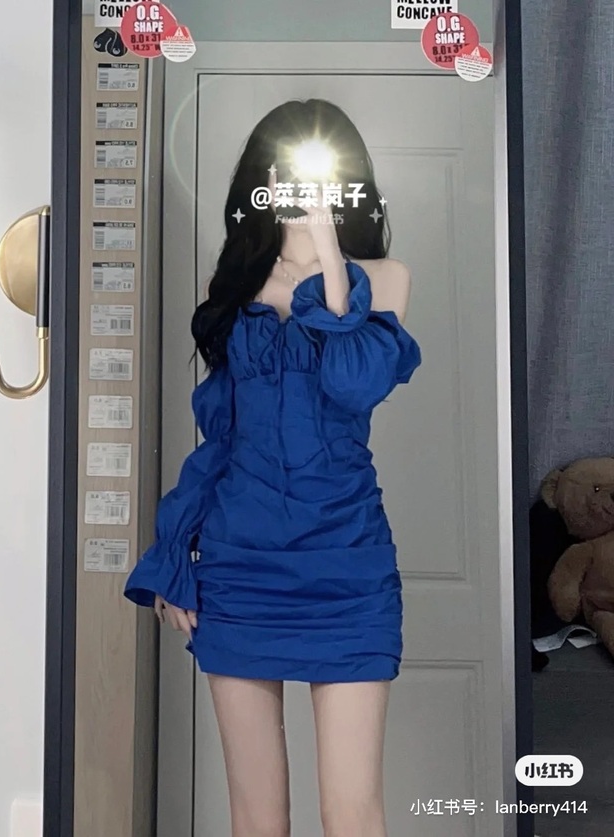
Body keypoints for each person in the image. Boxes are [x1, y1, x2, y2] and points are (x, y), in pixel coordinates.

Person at [124, 98, 422, 837]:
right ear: (262, 180)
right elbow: (221, 439)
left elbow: (354, 385)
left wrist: (326, 250)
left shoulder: (383, 279)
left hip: (346, 565)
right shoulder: (233, 288)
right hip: (240, 565)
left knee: (352, 815)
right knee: (257, 819)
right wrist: (174, 552)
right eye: (285, 169)